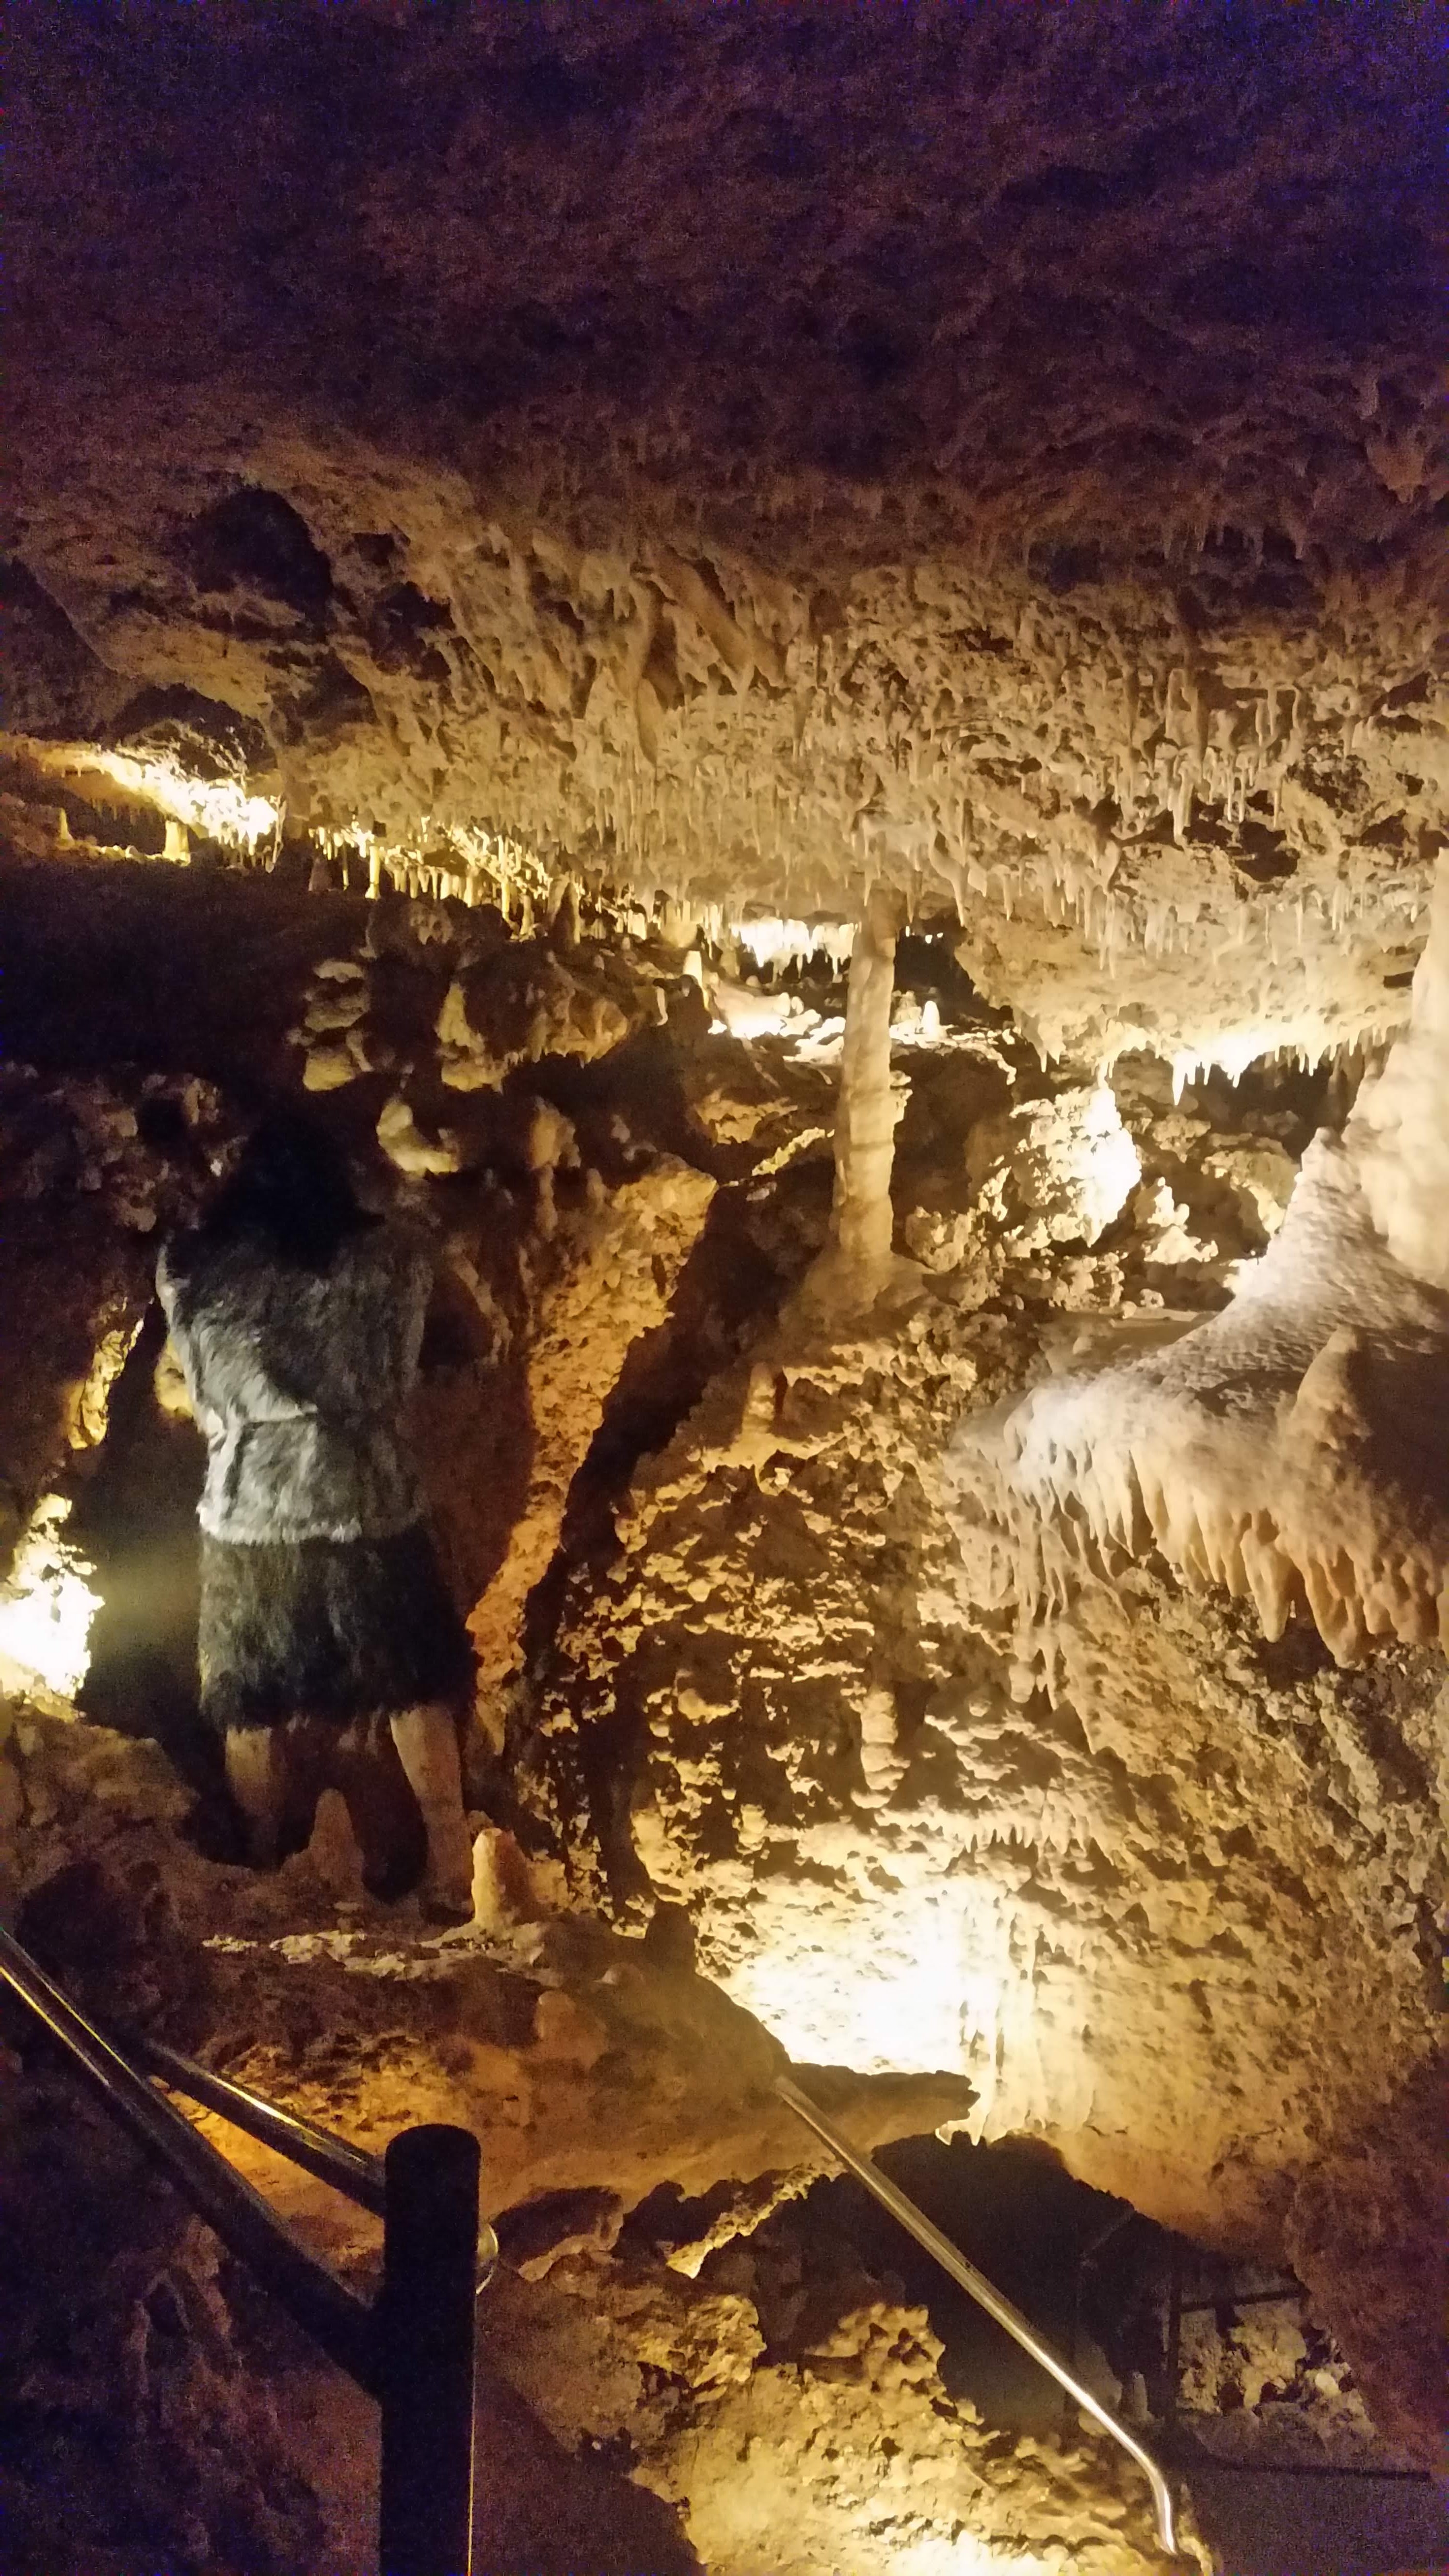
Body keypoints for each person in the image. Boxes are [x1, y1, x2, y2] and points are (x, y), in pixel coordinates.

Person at [157, 1108, 475, 1916]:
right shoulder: (391, 1259)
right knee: (414, 1685)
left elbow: (200, 1380)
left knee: (250, 1699)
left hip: (250, 1512)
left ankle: (265, 1862)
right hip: (367, 1501)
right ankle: (451, 1864)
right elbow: (399, 1366)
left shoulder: (196, 1269)